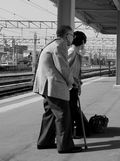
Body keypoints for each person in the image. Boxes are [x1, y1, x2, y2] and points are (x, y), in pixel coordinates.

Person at [33, 25, 82, 153]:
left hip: (46, 86)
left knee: (50, 114)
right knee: (63, 115)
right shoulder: (60, 45)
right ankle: (65, 146)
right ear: (67, 35)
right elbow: (63, 67)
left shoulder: (53, 44)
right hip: (53, 86)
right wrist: (73, 83)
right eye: (72, 35)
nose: (73, 37)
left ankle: (45, 141)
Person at [68, 31, 91, 137]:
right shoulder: (71, 52)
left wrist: (79, 83)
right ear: (82, 42)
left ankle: (75, 132)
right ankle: (72, 132)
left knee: (73, 109)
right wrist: (74, 81)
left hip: (74, 86)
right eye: (84, 43)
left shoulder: (76, 53)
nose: (84, 45)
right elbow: (64, 69)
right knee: (72, 110)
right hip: (69, 87)